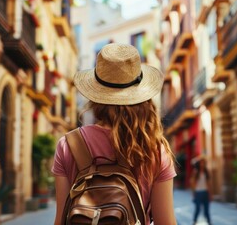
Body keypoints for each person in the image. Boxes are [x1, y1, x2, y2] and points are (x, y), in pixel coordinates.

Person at [51, 43, 177, 225]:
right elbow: (165, 222)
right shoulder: (154, 149)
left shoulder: (68, 145)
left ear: (95, 95)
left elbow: (61, 220)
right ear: (142, 96)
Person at [190, 156, 212, 225]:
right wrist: (193, 192)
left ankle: (209, 221)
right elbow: (193, 183)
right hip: (198, 192)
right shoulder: (196, 172)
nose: (202, 164)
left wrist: (210, 193)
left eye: (203, 163)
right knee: (198, 209)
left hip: (205, 192)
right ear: (199, 164)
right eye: (201, 163)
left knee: (206, 209)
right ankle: (194, 221)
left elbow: (208, 183)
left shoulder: (206, 172)